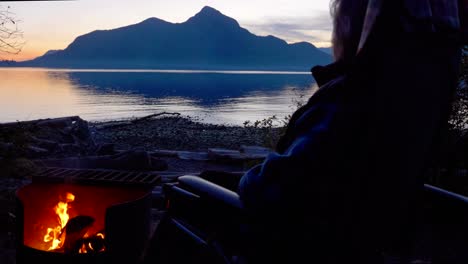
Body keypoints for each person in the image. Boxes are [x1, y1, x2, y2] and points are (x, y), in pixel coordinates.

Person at [147, 0, 467, 263]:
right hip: (357, 239)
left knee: (187, 189)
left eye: (338, 22)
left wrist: (253, 178)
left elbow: (271, 191)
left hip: (293, 244)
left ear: (355, 29)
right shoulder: (418, 88)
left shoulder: (350, 100)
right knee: (211, 177)